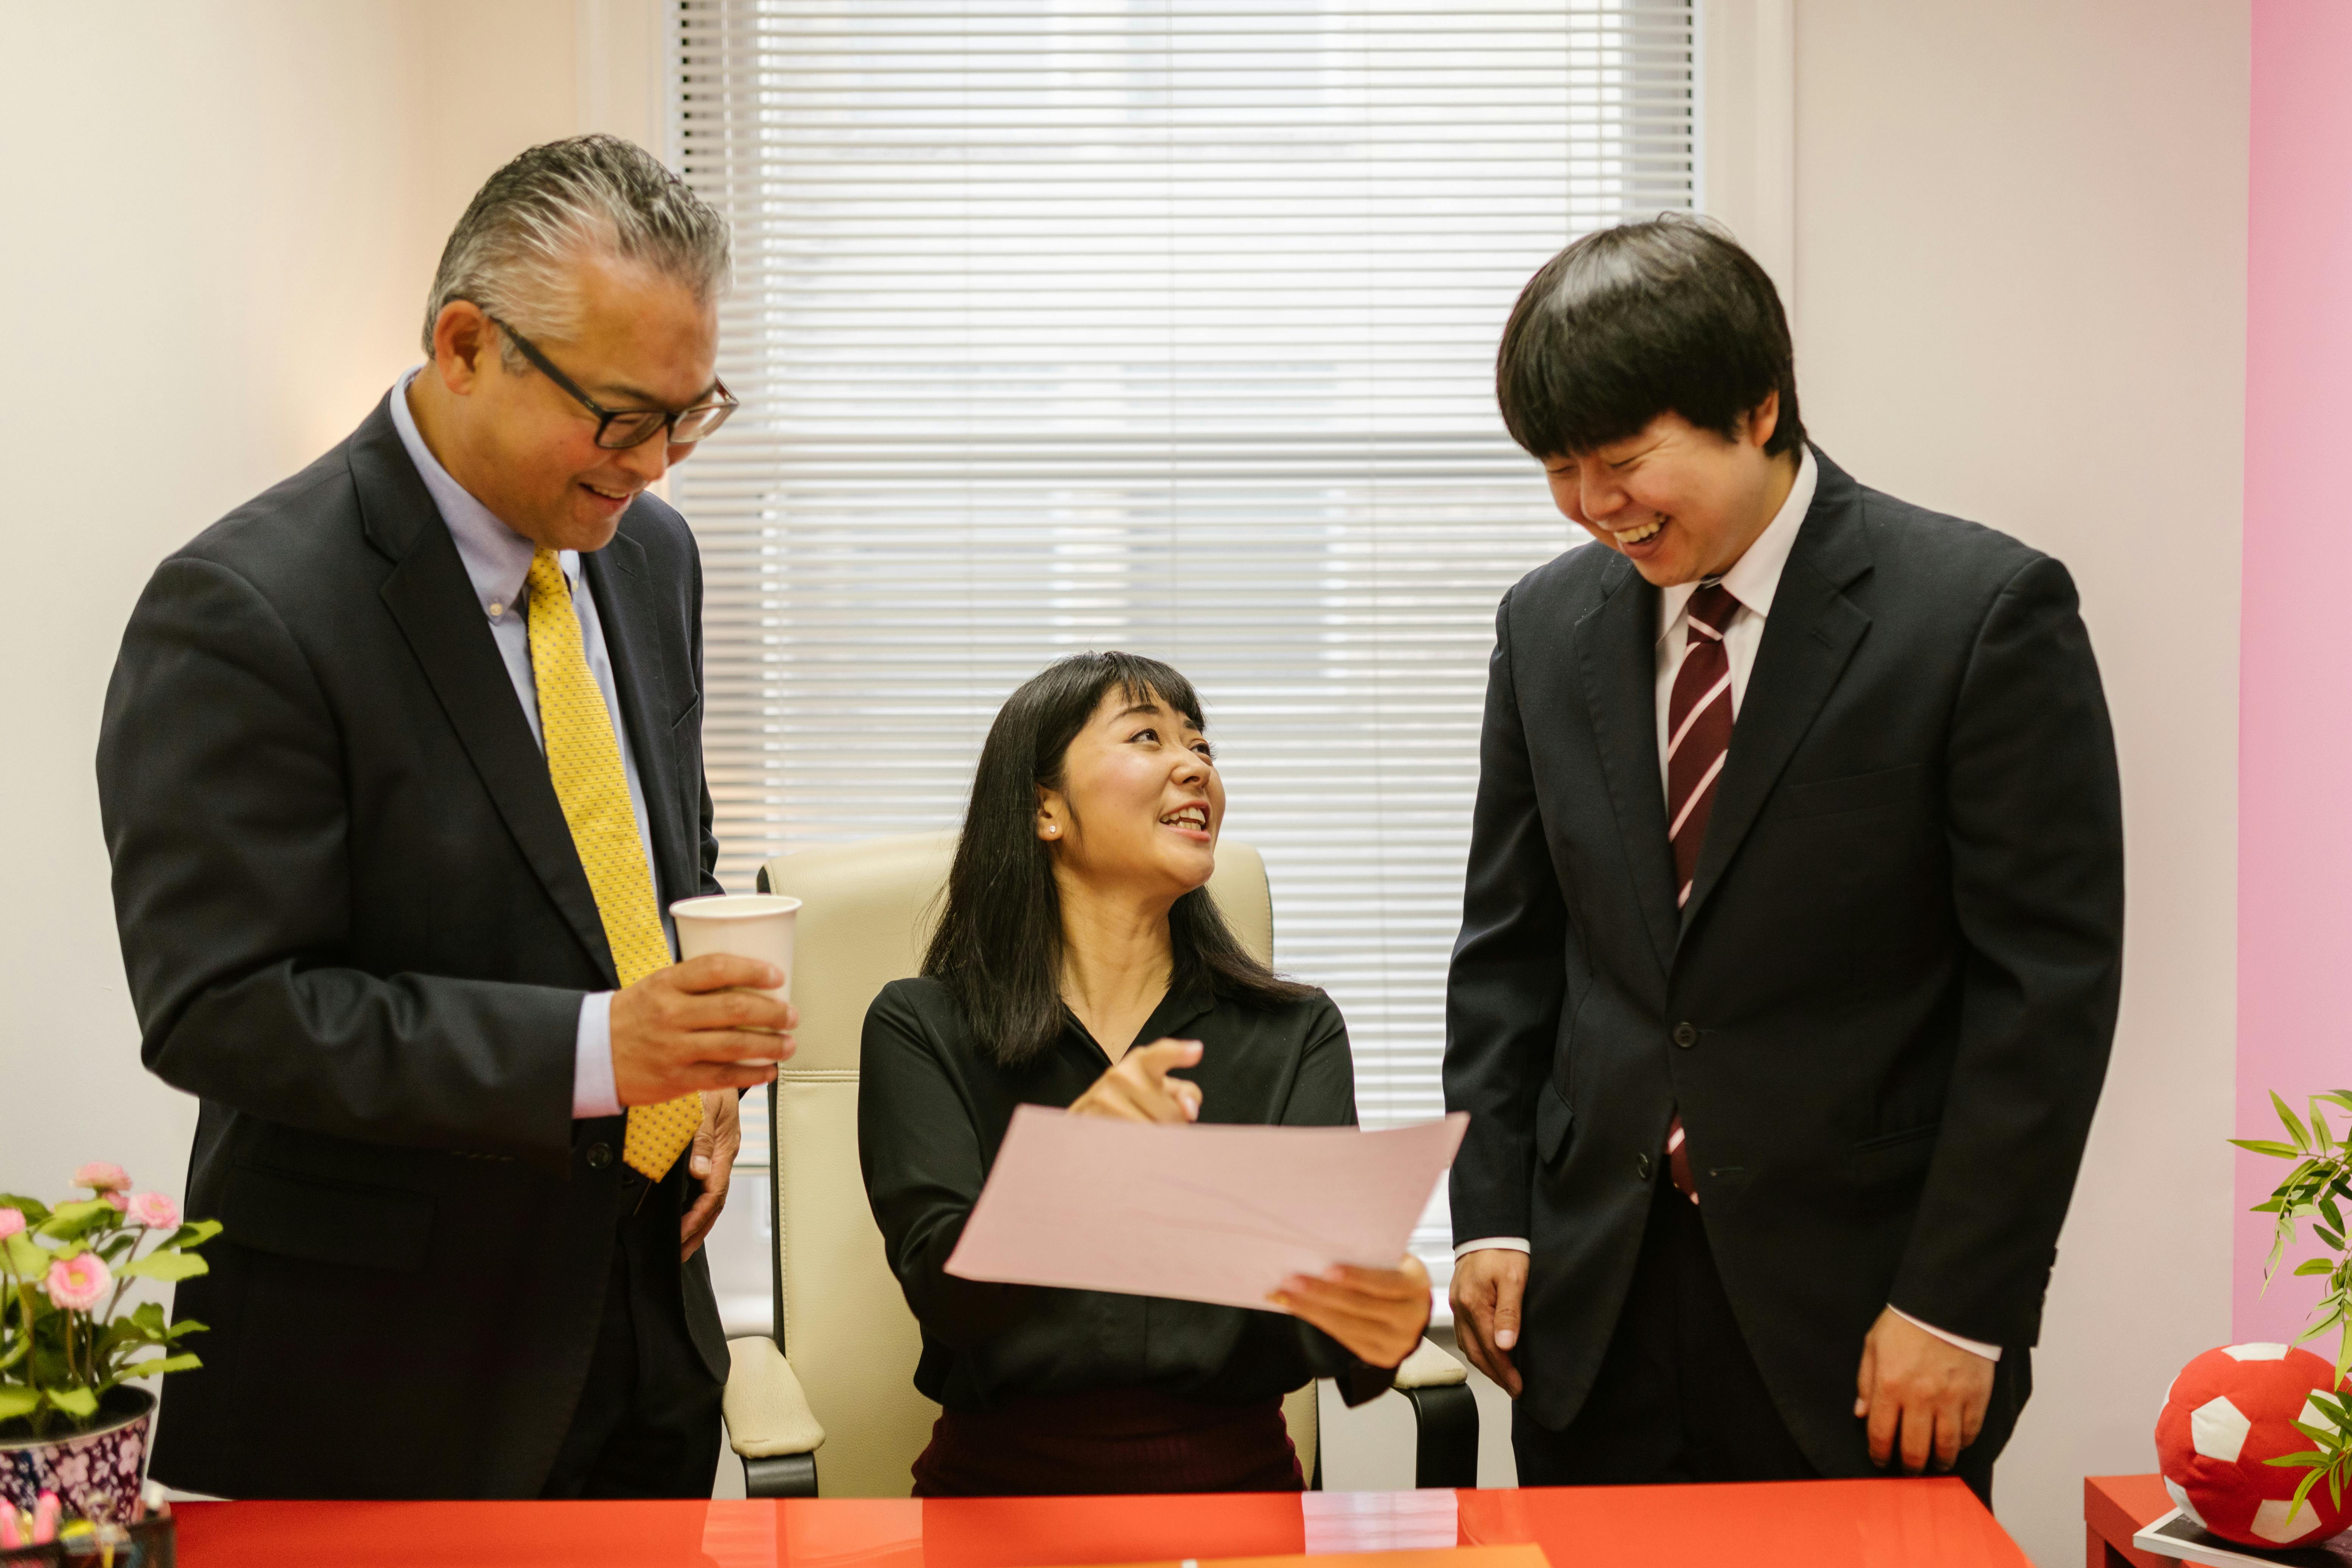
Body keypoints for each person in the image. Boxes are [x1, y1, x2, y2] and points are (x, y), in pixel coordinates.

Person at [96, 136, 794, 1499]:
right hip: (387, 1381)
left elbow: (650, 871)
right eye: (620, 417)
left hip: (648, 1321)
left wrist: (695, 1072)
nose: (655, 465)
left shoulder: (647, 557)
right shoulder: (247, 608)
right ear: (467, 345)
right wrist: (603, 1049)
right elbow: (222, 1007)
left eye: (689, 413)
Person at [1443, 215, 2123, 1500]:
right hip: (1590, 1310)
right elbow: (1508, 951)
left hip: (1864, 1318)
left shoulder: (1976, 614)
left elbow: (2042, 993)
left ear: (1756, 408)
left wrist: (1958, 1302)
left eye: (1624, 458)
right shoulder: (1542, 627)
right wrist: (1489, 1212)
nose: (1593, 506)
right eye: (1556, 466)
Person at [859, 652, 1434, 1496]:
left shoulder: (1294, 1029)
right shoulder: (921, 1023)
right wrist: (1071, 1167)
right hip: (999, 1499)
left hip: (1238, 1494)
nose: (1194, 764)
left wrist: (1383, 1319)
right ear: (1044, 808)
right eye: (1147, 736)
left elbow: (1322, 1336)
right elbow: (949, 1302)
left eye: (1203, 746)